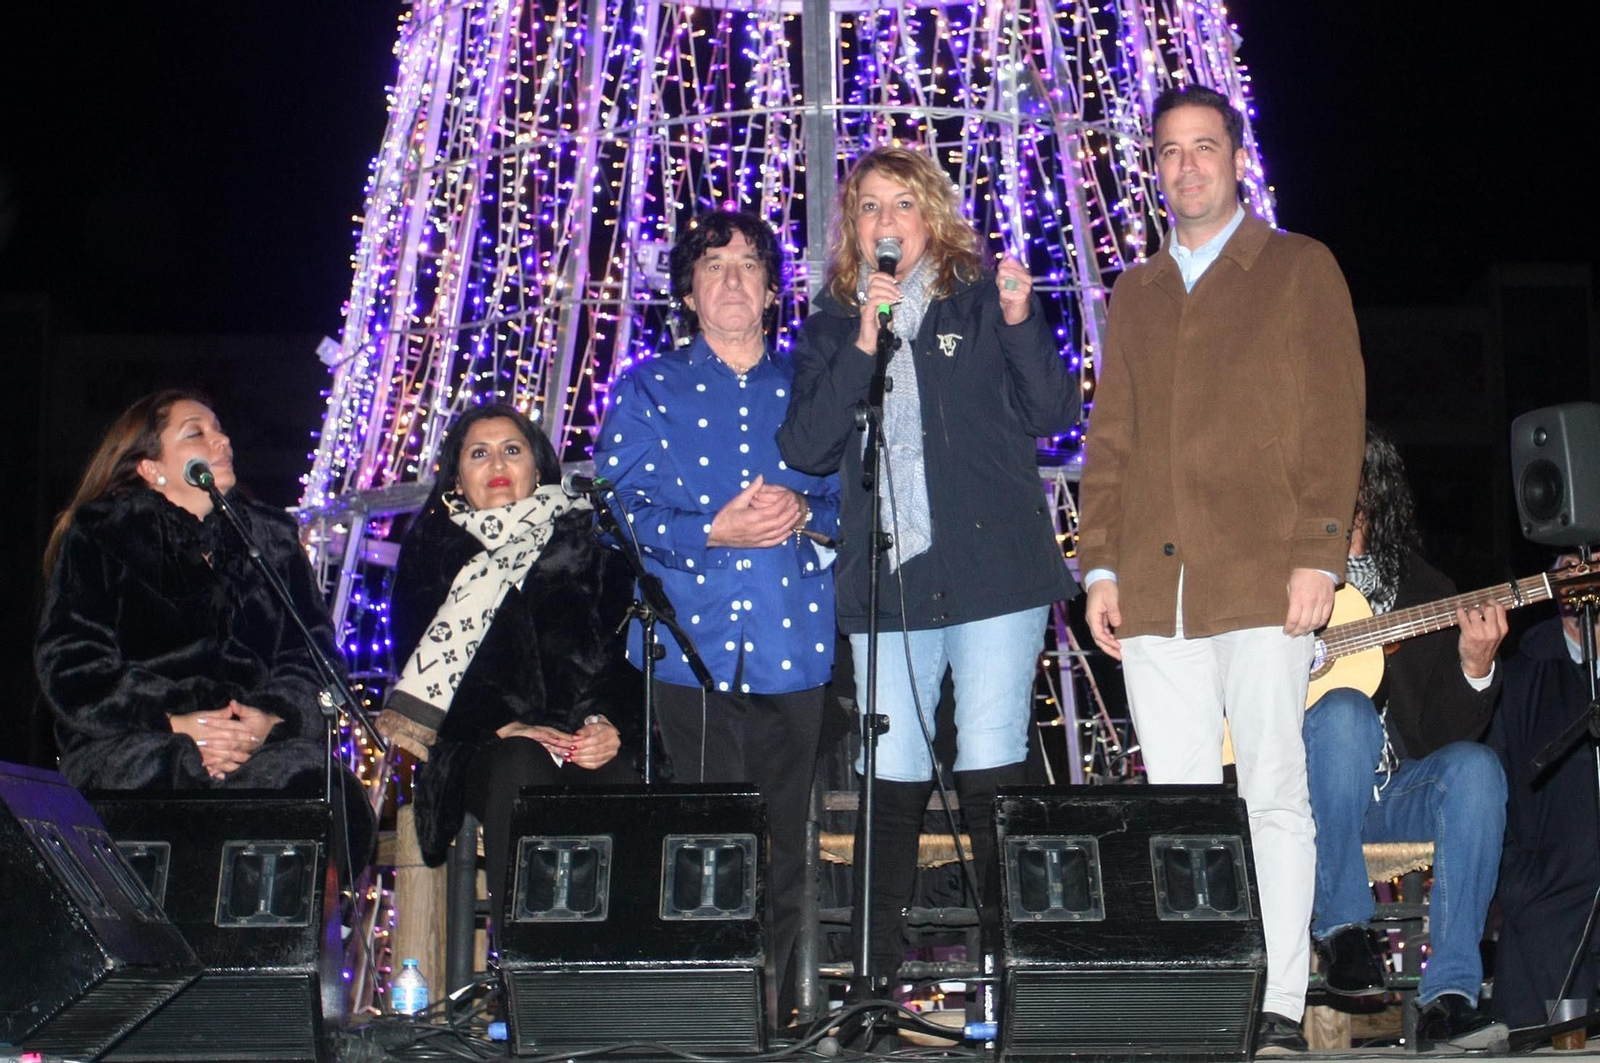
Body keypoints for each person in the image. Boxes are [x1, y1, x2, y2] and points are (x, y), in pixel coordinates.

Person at [1077, 84, 1365, 1050]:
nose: (1186, 165)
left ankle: (1280, 1000)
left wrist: (1319, 552)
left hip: (1263, 580)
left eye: (1205, 146)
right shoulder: (1136, 290)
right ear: (1154, 167)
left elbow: (1335, 423)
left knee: (1274, 792)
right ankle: (1205, 992)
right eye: (1169, 150)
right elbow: (1108, 441)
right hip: (1158, 593)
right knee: (1181, 805)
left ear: (1238, 157)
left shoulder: (1298, 268)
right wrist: (1099, 565)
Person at [778, 146, 1081, 985]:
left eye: (901, 205)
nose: (884, 222)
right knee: (892, 772)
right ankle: (876, 986)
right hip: (890, 578)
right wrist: (865, 343)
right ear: (853, 228)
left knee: (991, 760)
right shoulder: (835, 325)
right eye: (869, 207)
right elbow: (804, 446)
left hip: (995, 571)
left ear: (931, 217)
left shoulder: (983, 302)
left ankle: (1007, 975)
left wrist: (1024, 323)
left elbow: (1056, 411)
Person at [591, 210, 840, 1023]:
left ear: (772, 291)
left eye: (747, 266)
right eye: (712, 265)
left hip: (791, 646)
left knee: (785, 846)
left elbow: (861, 499)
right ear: (690, 292)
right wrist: (709, 531)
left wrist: (806, 510)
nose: (731, 279)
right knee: (699, 839)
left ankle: (780, 1014)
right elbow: (614, 510)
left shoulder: (813, 387)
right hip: (683, 653)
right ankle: (704, 1011)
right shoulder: (647, 389)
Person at [36, 389, 375, 870]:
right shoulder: (101, 535)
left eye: (220, 429)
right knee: (173, 778)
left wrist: (266, 723)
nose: (223, 441)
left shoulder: (271, 539)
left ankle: (286, 943)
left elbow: (315, 660)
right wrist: (178, 724)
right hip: (136, 741)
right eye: (197, 433)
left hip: (253, 749)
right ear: (151, 468)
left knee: (319, 788)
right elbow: (72, 666)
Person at [384, 403, 636, 929]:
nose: (497, 462)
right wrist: (505, 726)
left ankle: (615, 964)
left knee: (615, 775)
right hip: (477, 743)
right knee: (520, 765)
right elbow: (412, 660)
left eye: (512, 450)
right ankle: (527, 965)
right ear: (457, 474)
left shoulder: (588, 544)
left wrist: (607, 723)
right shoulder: (432, 549)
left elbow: (623, 653)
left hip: (580, 737)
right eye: (480, 453)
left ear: (539, 468)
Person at [1302, 427, 1507, 1050]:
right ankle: (1343, 933)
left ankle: (1449, 996)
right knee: (1343, 711)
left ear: (1373, 486)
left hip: (1396, 793)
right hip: (1307, 796)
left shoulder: (1428, 592)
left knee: (1478, 769)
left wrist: (1476, 666)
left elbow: (1446, 735)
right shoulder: (1283, 584)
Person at [1491, 555, 1600, 1029]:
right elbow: (1491, 793)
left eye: (1593, 565)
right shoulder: (1518, 679)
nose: (1582, 576)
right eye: (1570, 565)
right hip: (1547, 910)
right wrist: (1519, 884)